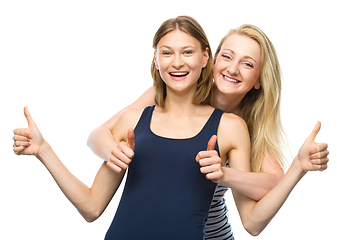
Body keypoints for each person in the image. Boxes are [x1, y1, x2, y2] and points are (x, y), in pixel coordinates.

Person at [86, 21, 329, 239]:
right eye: (227, 56)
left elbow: (267, 197)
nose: (233, 69)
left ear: (259, 80)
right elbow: (98, 134)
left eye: (247, 63)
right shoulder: (172, 95)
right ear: (211, 60)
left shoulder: (245, 129)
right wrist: (113, 152)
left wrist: (226, 174)